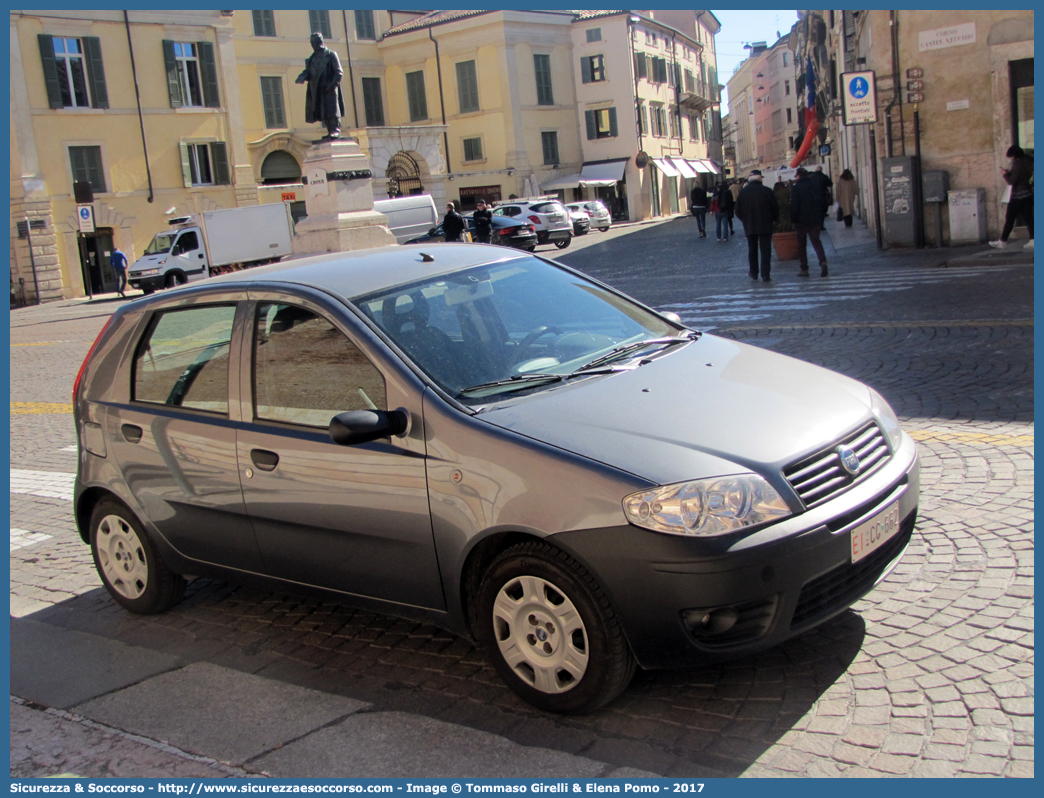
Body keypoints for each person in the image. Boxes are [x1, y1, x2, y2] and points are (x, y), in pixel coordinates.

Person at [295, 32, 345, 140]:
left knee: (332, 111)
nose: (313, 45)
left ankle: (335, 130)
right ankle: (330, 130)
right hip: (317, 89)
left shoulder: (331, 55)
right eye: (312, 43)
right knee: (323, 112)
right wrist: (302, 76)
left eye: (314, 42)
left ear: (320, 42)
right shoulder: (311, 59)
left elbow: (339, 72)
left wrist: (332, 85)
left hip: (329, 88)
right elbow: (309, 71)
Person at [735, 169, 778, 282]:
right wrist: (773, 220)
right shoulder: (767, 191)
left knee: (752, 250)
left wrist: (745, 220)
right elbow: (775, 208)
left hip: (750, 224)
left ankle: (754, 272)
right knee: (765, 251)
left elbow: (737, 210)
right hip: (765, 224)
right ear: (759, 179)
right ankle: (765, 274)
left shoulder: (743, 192)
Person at [990, 145, 1034, 250]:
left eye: (1011, 156)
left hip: (1017, 196)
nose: (1010, 158)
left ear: (1014, 155)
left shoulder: (1017, 164)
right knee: (1029, 219)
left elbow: (1012, 182)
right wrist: (1010, 172)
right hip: (1027, 194)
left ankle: (1002, 242)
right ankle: (1033, 240)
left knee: (1009, 218)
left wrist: (1005, 174)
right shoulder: (1027, 162)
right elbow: (1024, 177)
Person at [791, 167, 829, 277]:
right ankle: (823, 261)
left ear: (798, 175)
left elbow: (794, 205)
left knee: (802, 245)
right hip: (815, 219)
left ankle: (804, 268)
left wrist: (793, 218)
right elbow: (821, 201)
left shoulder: (797, 188)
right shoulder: (815, 186)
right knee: (816, 242)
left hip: (801, 221)